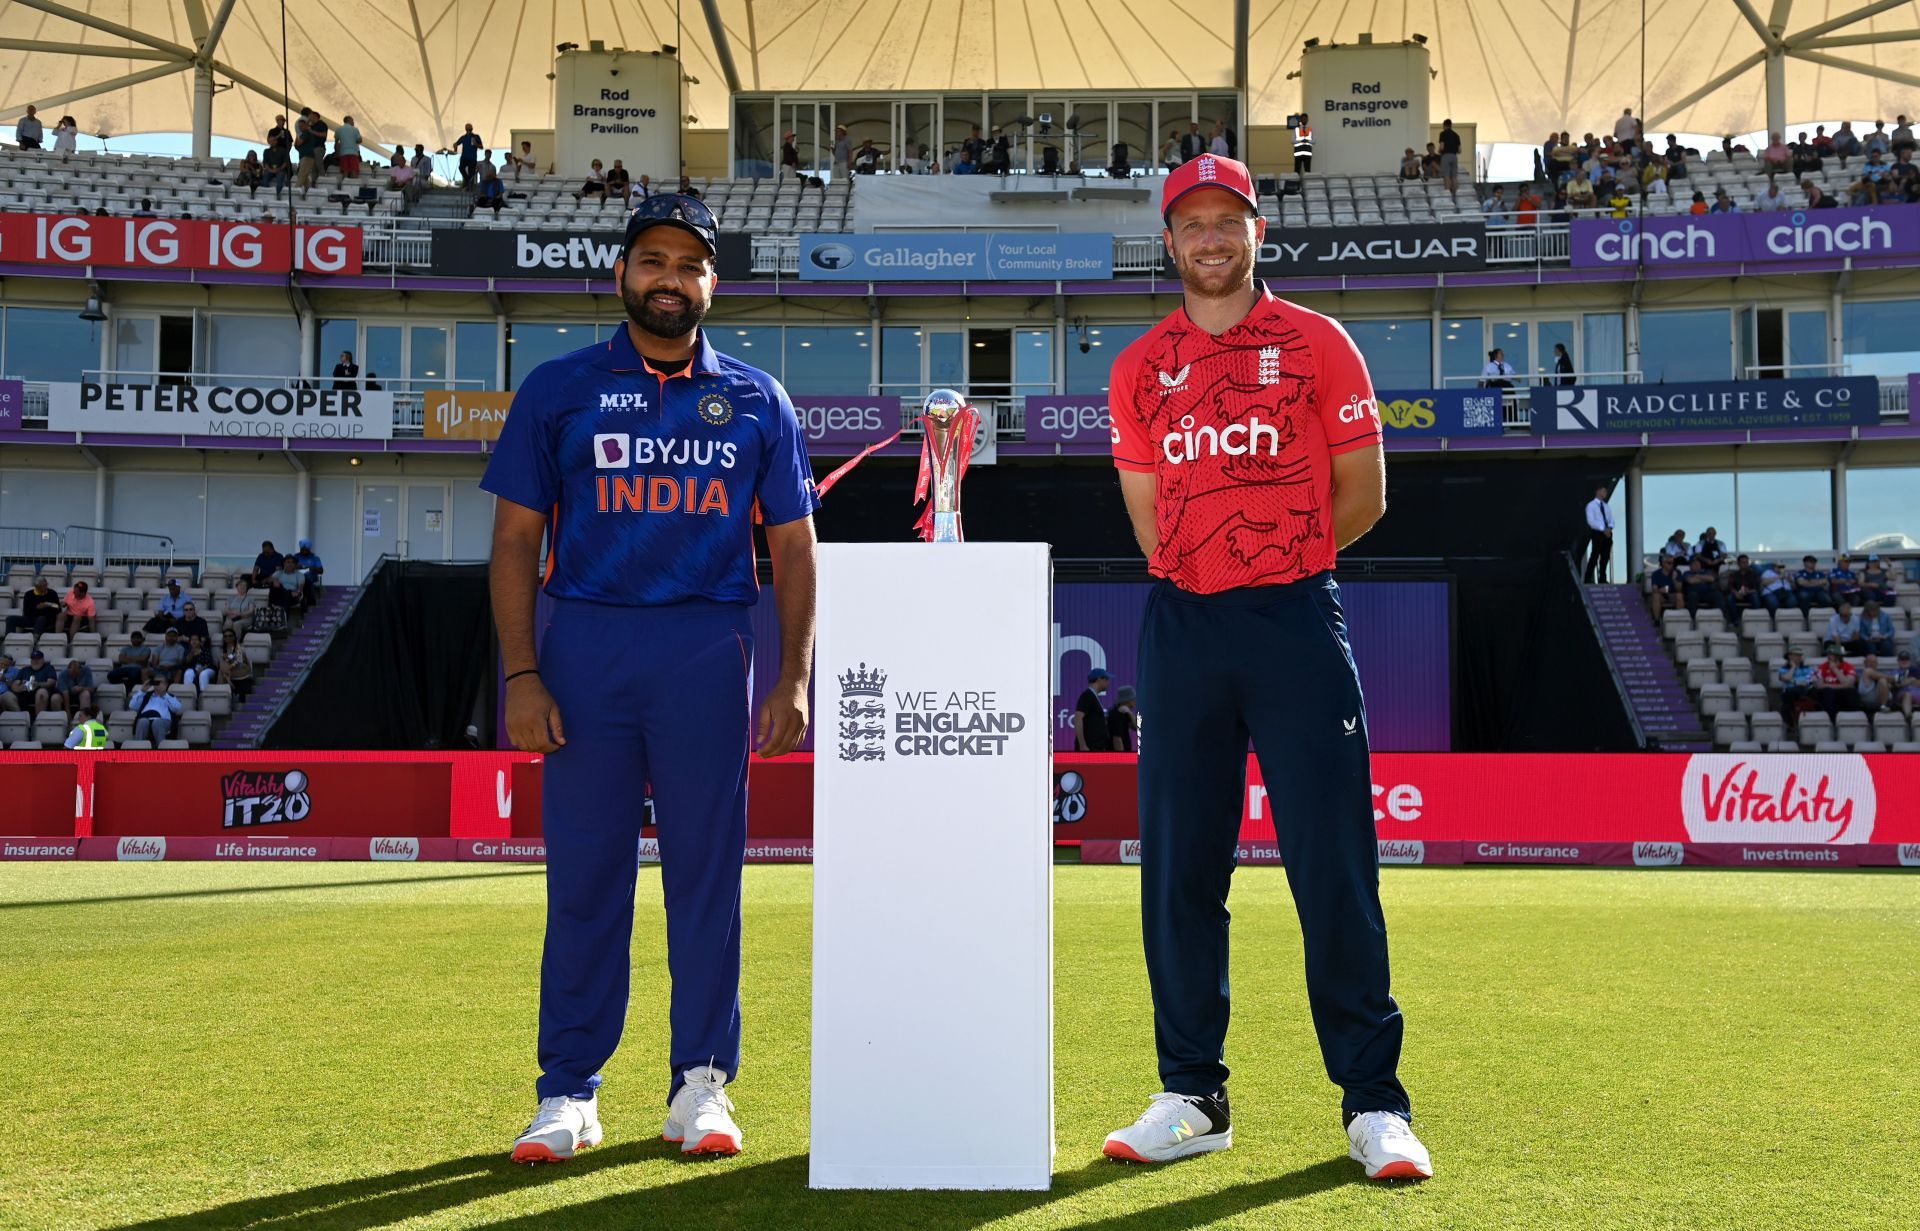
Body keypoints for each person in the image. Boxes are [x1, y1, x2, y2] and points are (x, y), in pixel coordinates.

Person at [1101, 153, 1427, 1179]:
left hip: (1293, 618)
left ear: (1256, 232)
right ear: (1169, 242)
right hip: (1183, 625)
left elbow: (1361, 495)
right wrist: (1211, 567)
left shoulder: (1319, 344)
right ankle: (1192, 1092)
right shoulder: (1139, 365)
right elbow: (1150, 515)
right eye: (1190, 223)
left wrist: (1274, 557)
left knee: (1332, 866)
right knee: (1179, 872)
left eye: (1225, 221)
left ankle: (1374, 1102)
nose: (1209, 238)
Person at [486, 191, 820, 1166]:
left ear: (712, 284)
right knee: (585, 879)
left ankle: (701, 1086)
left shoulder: (759, 398)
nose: (670, 278)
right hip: (584, 644)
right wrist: (522, 671)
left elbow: (795, 550)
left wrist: (792, 676)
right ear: (624, 274)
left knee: (707, 881)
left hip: (706, 649)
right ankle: (568, 1092)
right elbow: (513, 541)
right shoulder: (558, 389)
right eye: (653, 261)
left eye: (690, 264)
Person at [129, 677, 181, 744]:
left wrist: (164, 694)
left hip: (163, 721)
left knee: (157, 722)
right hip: (145, 719)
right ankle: (139, 749)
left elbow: (177, 708)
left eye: (160, 682)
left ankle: (161, 749)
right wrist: (142, 691)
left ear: (166, 685)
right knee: (142, 721)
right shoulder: (146, 695)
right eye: (156, 682)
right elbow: (132, 706)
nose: (158, 684)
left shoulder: (170, 697)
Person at [1812, 645, 1857, 719]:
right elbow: (1819, 686)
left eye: (1831, 654)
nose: (1829, 656)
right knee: (1827, 692)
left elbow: (1849, 684)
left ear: (1839, 656)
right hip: (1828, 694)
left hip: (1843, 693)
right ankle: (1830, 719)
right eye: (1828, 654)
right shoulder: (1821, 667)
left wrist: (1835, 669)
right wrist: (1841, 686)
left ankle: (1851, 719)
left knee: (1850, 692)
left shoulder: (1848, 666)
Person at [1073, 668, 1111, 752]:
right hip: (1090, 748)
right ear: (1099, 679)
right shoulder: (1087, 696)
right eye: (1106, 679)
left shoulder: (1092, 696)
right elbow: (1078, 719)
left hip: (1096, 747)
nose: (1109, 682)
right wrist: (1083, 745)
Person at [1582, 485, 1614, 583]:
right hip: (1597, 533)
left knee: (1605, 556)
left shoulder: (1606, 506)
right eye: (1603, 491)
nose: (1605, 493)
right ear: (1598, 491)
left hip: (1607, 534)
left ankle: (1602, 578)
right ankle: (1588, 578)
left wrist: (1609, 527)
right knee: (1595, 555)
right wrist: (1602, 529)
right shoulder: (1591, 505)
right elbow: (1591, 521)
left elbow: (1611, 519)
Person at [1777, 649, 1816, 721]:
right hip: (1791, 691)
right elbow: (1787, 678)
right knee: (1789, 693)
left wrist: (1794, 681)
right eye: (1796, 655)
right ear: (1789, 657)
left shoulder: (1807, 668)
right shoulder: (1784, 669)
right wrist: (1793, 667)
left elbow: (1812, 679)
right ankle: (1789, 721)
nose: (1798, 657)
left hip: (1806, 689)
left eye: (1800, 655)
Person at [218, 628, 254, 702]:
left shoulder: (239, 647)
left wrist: (228, 667)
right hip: (230, 672)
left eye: (230, 636)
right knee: (221, 668)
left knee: (221, 672)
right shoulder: (223, 649)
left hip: (241, 669)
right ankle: (227, 681)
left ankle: (221, 693)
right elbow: (222, 661)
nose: (227, 638)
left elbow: (238, 661)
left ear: (234, 637)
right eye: (225, 636)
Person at [1722, 554, 1762, 620]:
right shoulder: (1734, 574)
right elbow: (1730, 586)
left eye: (1746, 562)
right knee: (1729, 598)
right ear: (1738, 564)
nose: (1745, 564)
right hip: (1737, 594)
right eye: (1743, 562)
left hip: (1749, 593)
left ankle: (1756, 618)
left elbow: (1757, 588)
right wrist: (1736, 593)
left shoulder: (1753, 574)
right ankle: (1735, 620)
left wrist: (1749, 591)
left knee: (1755, 596)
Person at [295, 113, 326, 190]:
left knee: (302, 174)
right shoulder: (304, 133)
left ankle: (295, 190)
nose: (300, 127)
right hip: (304, 156)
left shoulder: (307, 133)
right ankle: (310, 190)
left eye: (302, 126)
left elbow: (298, 143)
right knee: (305, 176)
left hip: (307, 156)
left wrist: (298, 134)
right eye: (300, 126)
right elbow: (296, 146)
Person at [1648, 554, 1682, 620]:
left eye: (1673, 563)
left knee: (1679, 595)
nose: (1671, 565)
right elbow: (1654, 589)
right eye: (1669, 563)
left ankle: (1679, 618)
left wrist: (1674, 579)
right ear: (1663, 563)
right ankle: (1656, 620)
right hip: (1662, 596)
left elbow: (1679, 589)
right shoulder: (1656, 574)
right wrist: (1661, 590)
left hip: (1673, 594)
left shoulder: (1677, 572)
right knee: (1656, 596)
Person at [334, 114, 363, 179]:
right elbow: (360, 140)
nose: (353, 122)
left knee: (345, 171)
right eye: (352, 121)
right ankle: (353, 186)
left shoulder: (338, 129)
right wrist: (354, 141)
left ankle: (344, 185)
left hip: (343, 153)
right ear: (349, 120)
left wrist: (337, 152)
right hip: (353, 153)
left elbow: (336, 142)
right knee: (354, 170)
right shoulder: (355, 129)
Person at [1109, 684, 1137, 751]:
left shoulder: (1125, 713)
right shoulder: (1118, 714)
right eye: (1133, 698)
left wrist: (1130, 713)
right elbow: (1117, 739)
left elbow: (1136, 727)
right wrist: (1122, 759)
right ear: (1127, 700)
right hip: (1119, 757)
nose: (1135, 701)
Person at [456, 123, 484, 188]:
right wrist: (455, 147)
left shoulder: (476, 136)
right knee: (461, 168)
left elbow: (481, 147)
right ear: (465, 129)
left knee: (471, 172)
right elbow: (456, 143)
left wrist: (476, 144)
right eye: (467, 129)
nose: (468, 130)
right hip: (464, 156)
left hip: (472, 157)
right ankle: (468, 181)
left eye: (470, 129)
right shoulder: (463, 137)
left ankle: (469, 185)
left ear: (472, 129)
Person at [1438, 119, 1461, 191]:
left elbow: (1442, 146)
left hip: (1446, 156)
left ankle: (1448, 192)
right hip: (1454, 156)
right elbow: (1460, 150)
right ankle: (1456, 193)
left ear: (1444, 125)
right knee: (1454, 176)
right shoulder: (1456, 135)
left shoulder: (1443, 134)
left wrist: (1439, 151)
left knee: (1446, 176)